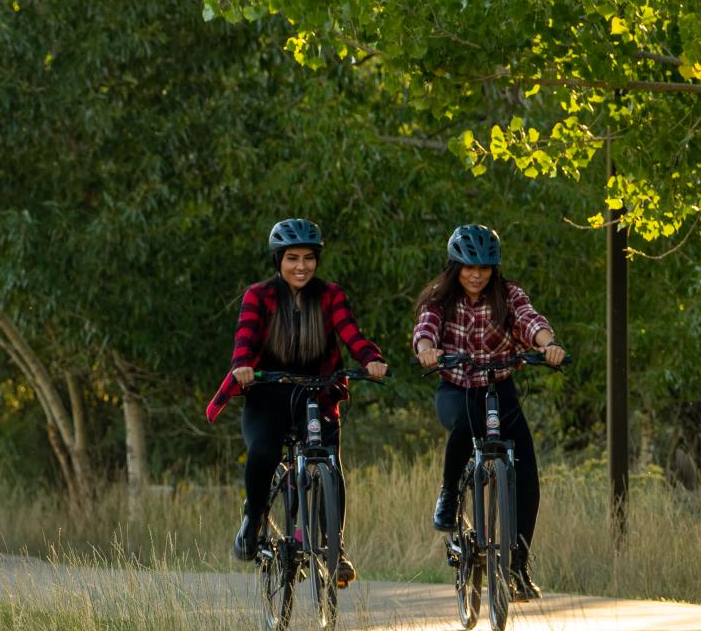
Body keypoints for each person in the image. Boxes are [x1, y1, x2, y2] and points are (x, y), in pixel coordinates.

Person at [206, 218, 388, 583]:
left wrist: (369, 358)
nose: (301, 266)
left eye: (308, 257)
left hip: (318, 394)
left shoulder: (330, 294)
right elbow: (244, 340)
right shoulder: (259, 295)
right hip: (268, 393)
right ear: (279, 260)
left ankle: (334, 548)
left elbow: (350, 332)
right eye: (292, 258)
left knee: (329, 464)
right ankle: (254, 518)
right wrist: (242, 367)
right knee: (263, 451)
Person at [412, 224, 566, 601]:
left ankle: (518, 565)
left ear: (494, 268)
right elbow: (426, 328)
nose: (477, 274)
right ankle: (449, 495)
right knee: (465, 425)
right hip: (456, 388)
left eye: (484, 267)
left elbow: (531, 321)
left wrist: (549, 345)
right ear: (455, 266)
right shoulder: (440, 298)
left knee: (526, 472)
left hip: (501, 388)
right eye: (468, 266)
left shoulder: (508, 295)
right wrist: (427, 349)